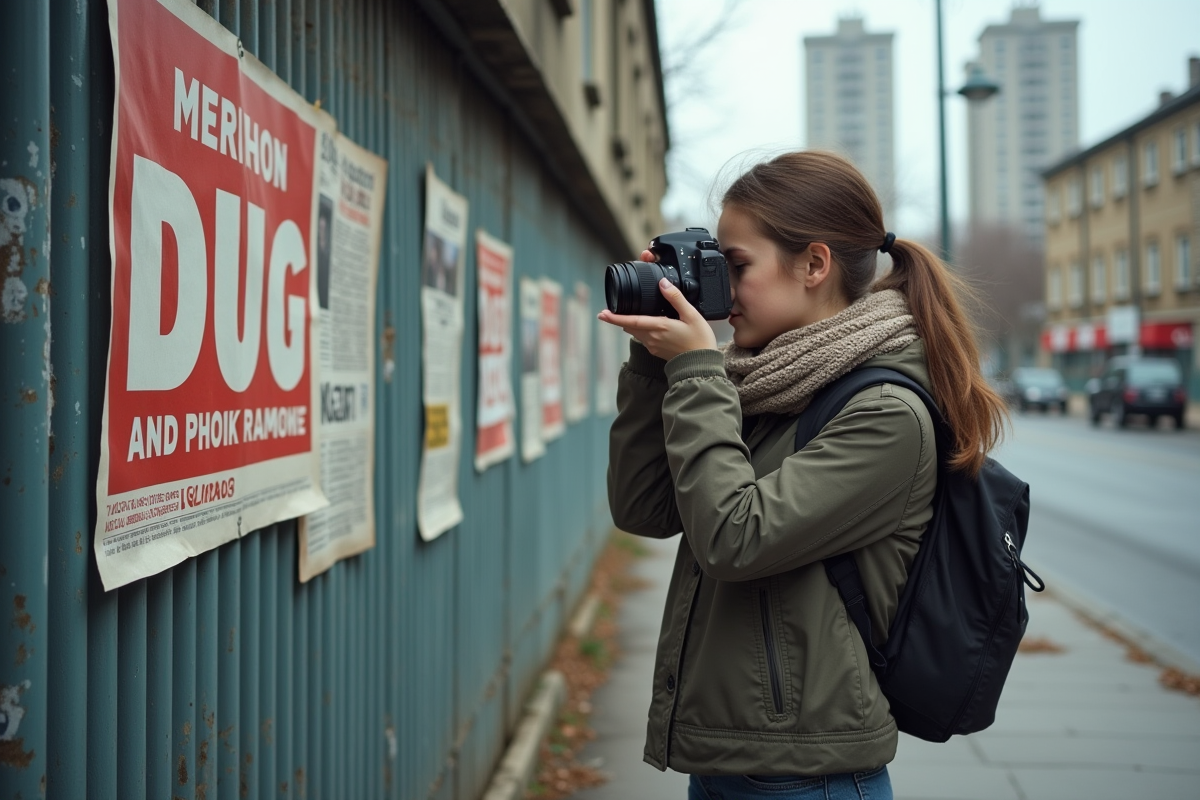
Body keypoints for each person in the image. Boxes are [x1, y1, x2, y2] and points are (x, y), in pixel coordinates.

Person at [598, 151, 1007, 800]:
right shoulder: (766, 383)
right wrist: (656, 362)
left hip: (806, 777)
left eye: (735, 268)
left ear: (814, 265)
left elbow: (736, 538)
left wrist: (696, 371)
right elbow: (645, 507)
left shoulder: (883, 411)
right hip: (733, 760)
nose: (722, 293)